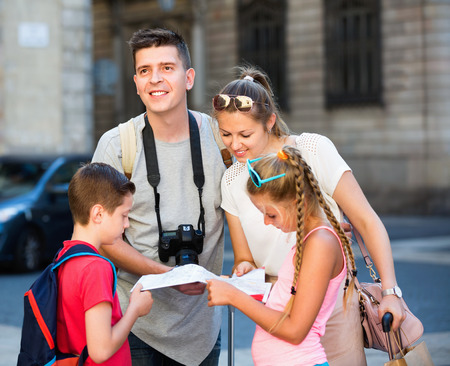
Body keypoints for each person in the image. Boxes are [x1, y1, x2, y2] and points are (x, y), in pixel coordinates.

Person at [212, 66, 406, 365]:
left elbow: (366, 220)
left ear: (270, 122)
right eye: (226, 134)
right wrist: (243, 270)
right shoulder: (232, 179)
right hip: (279, 304)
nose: (235, 144)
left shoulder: (312, 149)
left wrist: (391, 291)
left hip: (332, 303)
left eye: (245, 134)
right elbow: (244, 259)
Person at [92, 28, 225, 366]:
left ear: (189, 77)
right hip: (135, 325)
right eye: (144, 70)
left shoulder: (221, 138)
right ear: (136, 82)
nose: (155, 79)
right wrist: (166, 277)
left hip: (204, 331)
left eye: (167, 67)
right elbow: (102, 239)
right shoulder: (116, 145)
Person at [207, 146, 357, 366]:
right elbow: (286, 301)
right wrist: (242, 286)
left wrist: (233, 296)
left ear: (298, 203)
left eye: (271, 214)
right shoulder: (310, 240)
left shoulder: (320, 244)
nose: (267, 222)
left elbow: (295, 330)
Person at [58, 162, 153, 365]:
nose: (126, 224)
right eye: (124, 216)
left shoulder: (65, 256)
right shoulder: (96, 267)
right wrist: (135, 308)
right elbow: (100, 350)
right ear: (98, 214)